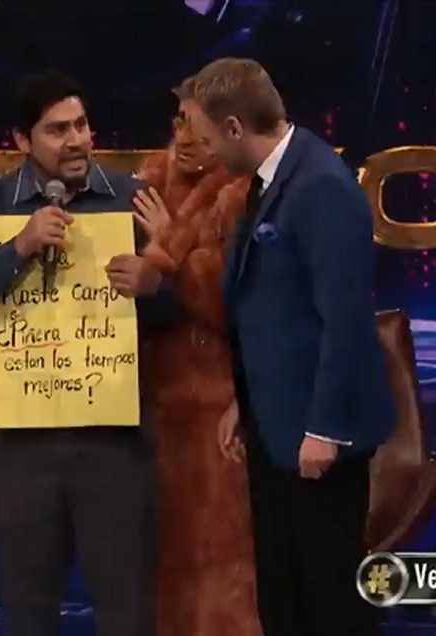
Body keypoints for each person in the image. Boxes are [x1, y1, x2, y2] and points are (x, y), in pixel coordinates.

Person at [0, 70, 174, 636]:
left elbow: (183, 315)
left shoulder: (133, 199)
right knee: (27, 614)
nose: (76, 140)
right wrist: (17, 248)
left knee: (128, 612)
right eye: (57, 129)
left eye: (82, 125)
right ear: (21, 140)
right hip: (18, 450)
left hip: (112, 447)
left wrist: (157, 281)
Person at [169, 58, 395, 636]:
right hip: (275, 427)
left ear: (235, 128)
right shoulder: (270, 180)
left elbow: (344, 321)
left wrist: (325, 429)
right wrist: (245, 401)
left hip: (317, 438)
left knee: (329, 605)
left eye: (206, 135)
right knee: (283, 600)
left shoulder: (320, 187)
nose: (201, 148)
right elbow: (273, 312)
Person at [131, 107, 261, 636]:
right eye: (178, 121)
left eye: (197, 128)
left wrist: (172, 247)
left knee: (223, 559)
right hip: (147, 403)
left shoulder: (245, 194)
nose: (183, 137)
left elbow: (241, 310)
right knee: (163, 560)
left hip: (217, 403)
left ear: (229, 130)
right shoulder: (144, 185)